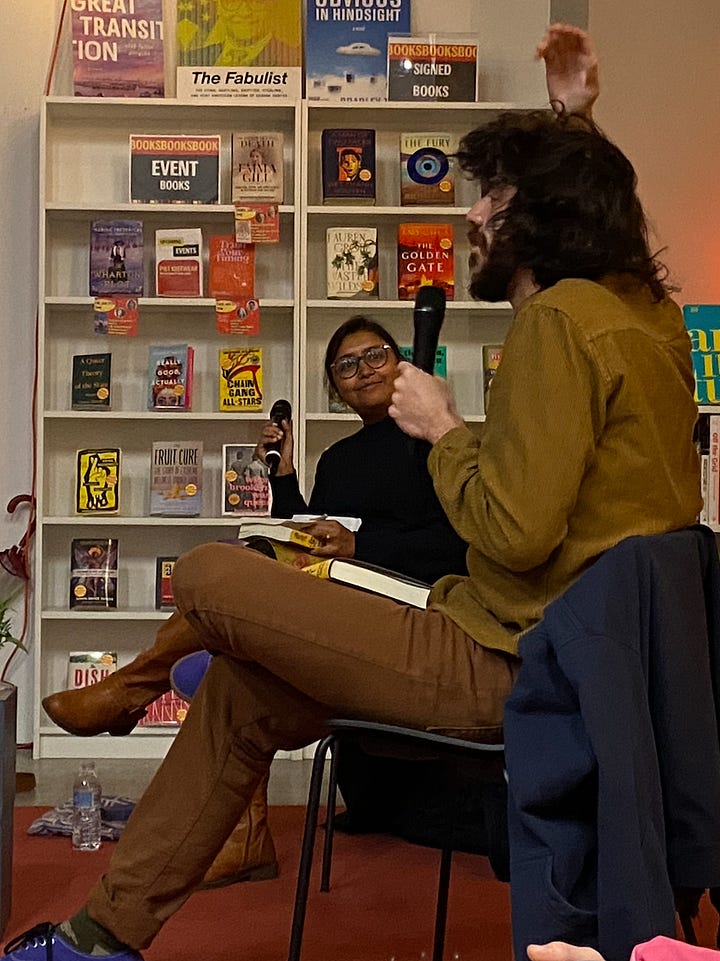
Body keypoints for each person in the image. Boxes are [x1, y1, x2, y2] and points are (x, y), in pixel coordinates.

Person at [10, 24, 702, 960]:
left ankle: (130, 695)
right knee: (244, 692)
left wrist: (444, 429)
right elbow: (603, 218)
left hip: (508, 657)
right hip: (573, 657)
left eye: (491, 198)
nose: (473, 221)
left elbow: (513, 531)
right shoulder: (648, 318)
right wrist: (573, 121)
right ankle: (100, 937)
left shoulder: (559, 324)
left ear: (537, 211)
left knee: (215, 571)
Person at [42, 314, 468, 886]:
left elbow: (459, 546)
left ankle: (131, 690)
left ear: (402, 363)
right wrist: (285, 474)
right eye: (346, 365)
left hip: (410, 612)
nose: (363, 370)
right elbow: (310, 536)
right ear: (334, 387)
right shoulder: (341, 459)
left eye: (375, 355)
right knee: (238, 630)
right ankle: (243, 837)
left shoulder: (436, 441)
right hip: (344, 604)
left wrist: (363, 543)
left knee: (233, 582)